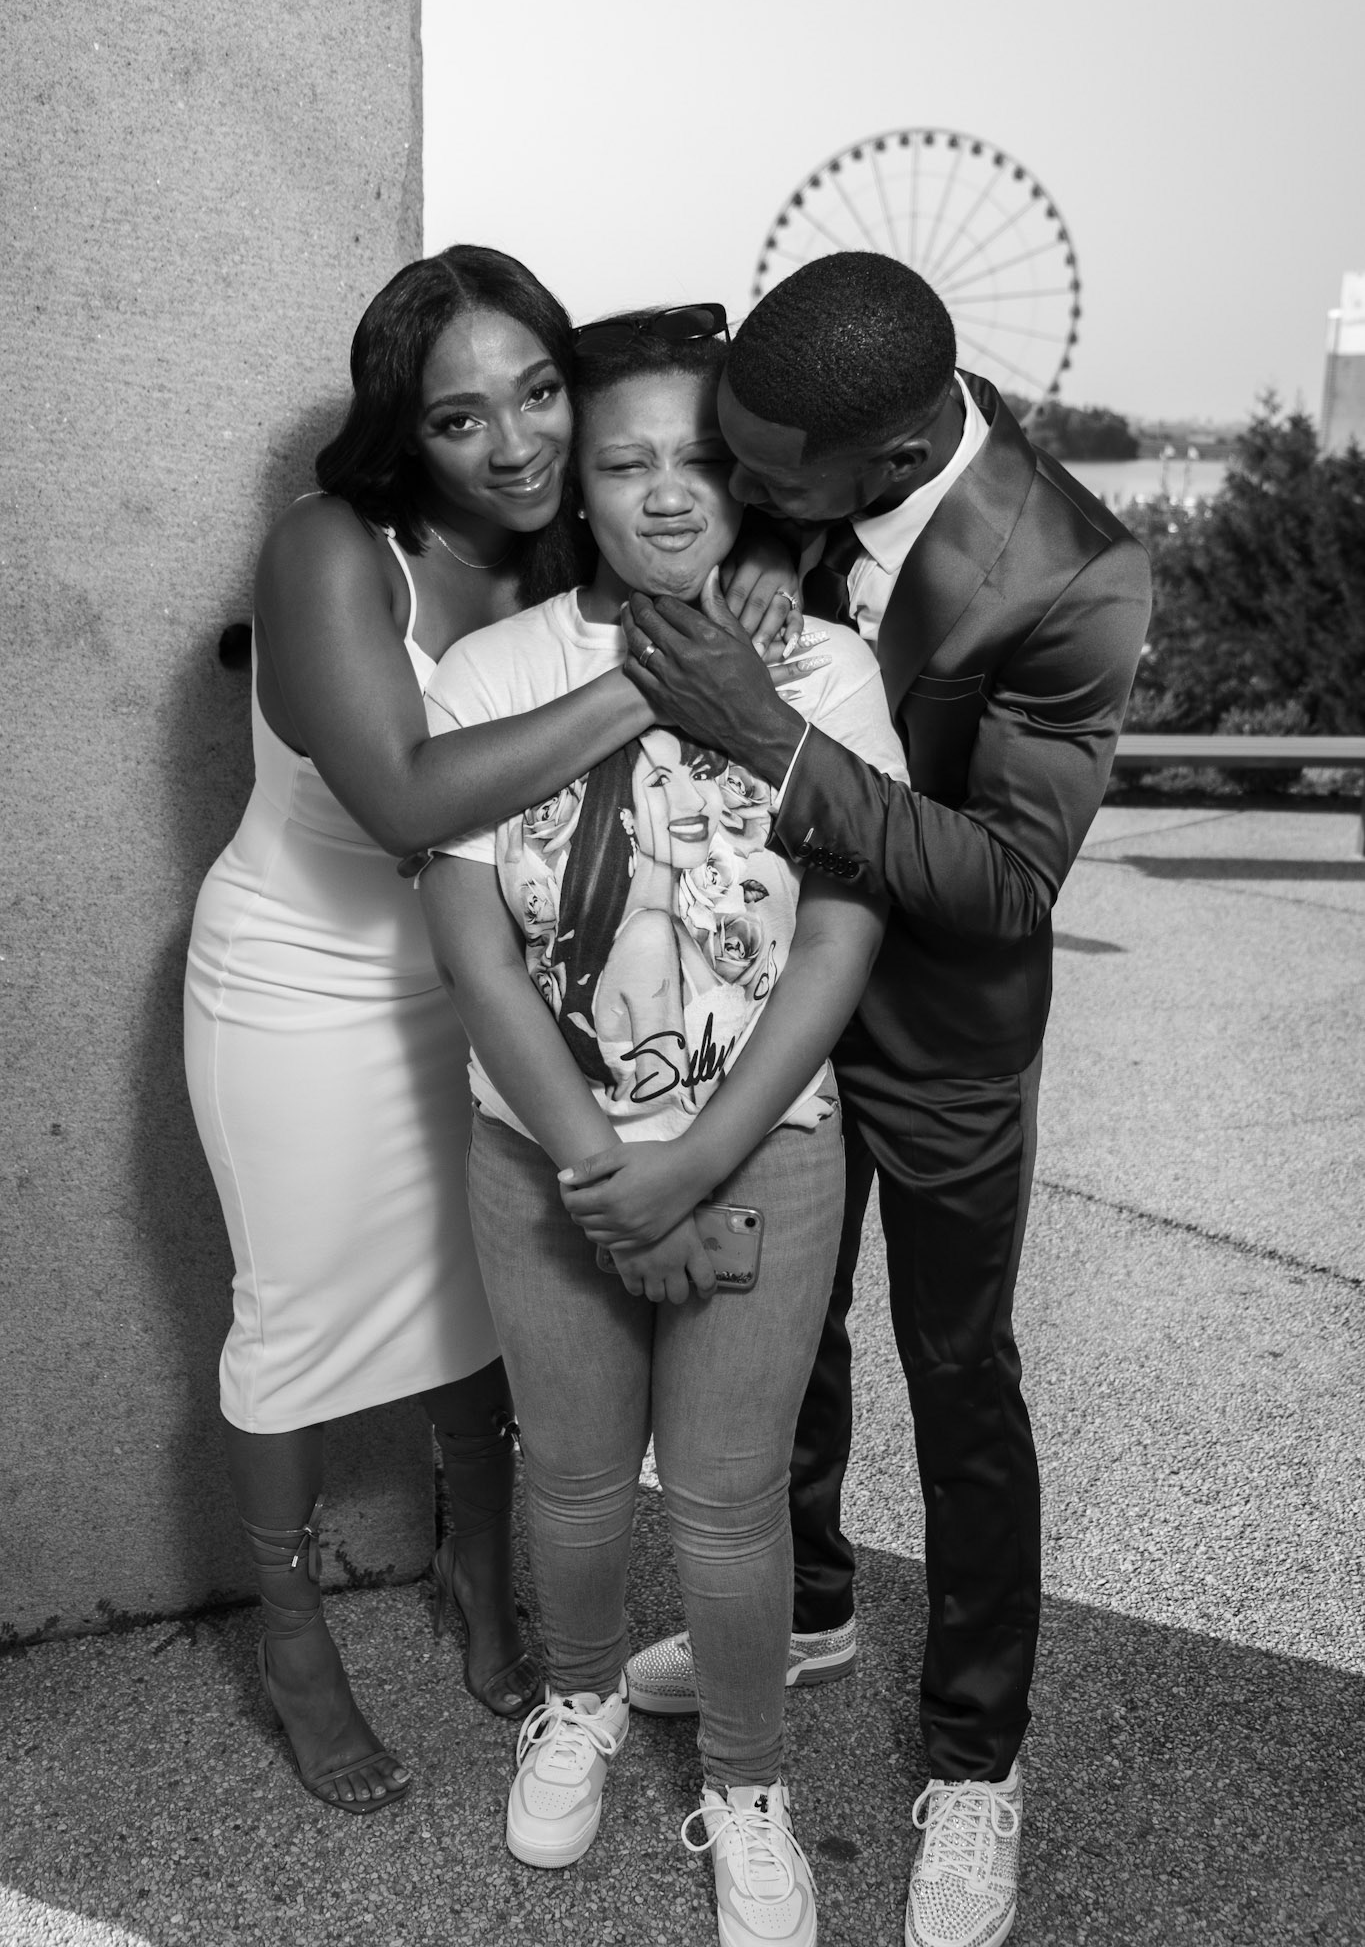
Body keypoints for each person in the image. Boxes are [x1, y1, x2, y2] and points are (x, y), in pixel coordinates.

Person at [183, 248, 799, 1816]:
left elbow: (706, 503)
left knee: (487, 1319)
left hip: (499, 1000)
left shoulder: (554, 556)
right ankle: (294, 1646)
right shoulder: (331, 548)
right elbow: (405, 800)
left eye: (537, 395)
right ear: (407, 431)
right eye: (462, 419)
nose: (515, 443)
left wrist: (759, 573)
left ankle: (478, 1576)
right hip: (304, 994)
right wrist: (667, 676)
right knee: (294, 1321)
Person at [605, 254, 1152, 1947]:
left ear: (901, 450)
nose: (737, 493)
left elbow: (1002, 883)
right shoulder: (816, 457)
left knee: (957, 1373)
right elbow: (771, 517)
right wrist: (776, 546)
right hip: (768, 1002)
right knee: (789, 1334)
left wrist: (767, 737)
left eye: (767, 480)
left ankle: (977, 1760)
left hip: (940, 1038)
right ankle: (810, 1606)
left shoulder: (1077, 572)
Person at [415, 314, 907, 1947]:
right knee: (567, 1478)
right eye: (624, 463)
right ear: (579, 487)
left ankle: (750, 1786)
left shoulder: (824, 668)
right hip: (539, 1152)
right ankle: (579, 1703)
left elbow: (839, 932)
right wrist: (597, 1170)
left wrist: (692, 1164)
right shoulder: (496, 672)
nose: (668, 493)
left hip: (765, 1146)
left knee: (724, 1501)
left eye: (700, 460)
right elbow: (474, 944)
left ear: (750, 482)